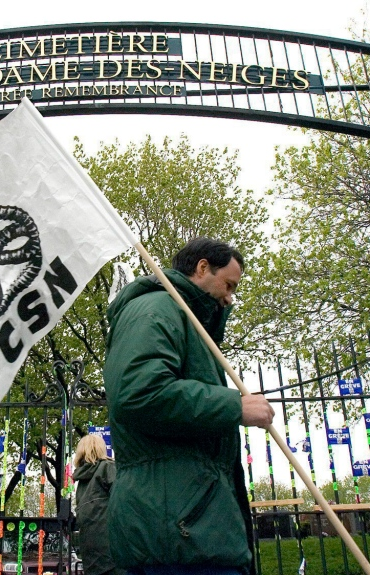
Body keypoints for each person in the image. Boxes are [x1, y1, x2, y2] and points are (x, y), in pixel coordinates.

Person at [103, 238, 275, 575]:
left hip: (191, 528)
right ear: (202, 268)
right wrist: (235, 407)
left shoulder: (185, 321)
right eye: (228, 285)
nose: (230, 297)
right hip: (176, 534)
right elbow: (140, 393)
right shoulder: (155, 309)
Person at [72, 434, 119, 575]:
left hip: (90, 552)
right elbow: (122, 503)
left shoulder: (82, 480)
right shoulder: (109, 468)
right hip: (111, 551)